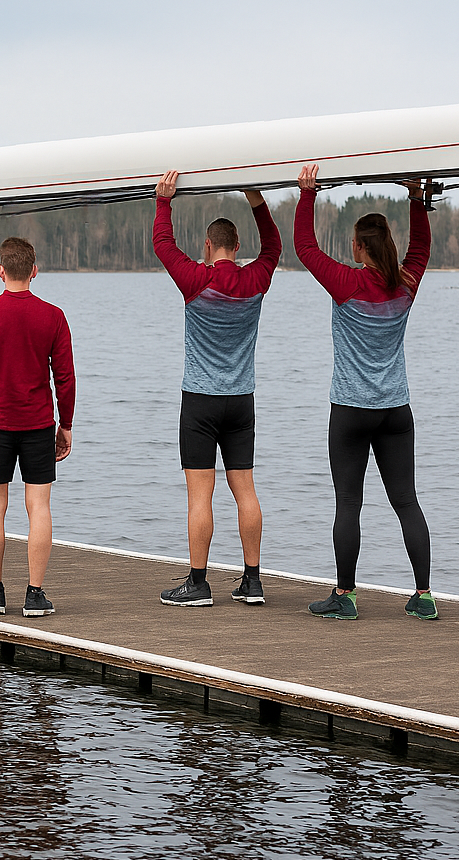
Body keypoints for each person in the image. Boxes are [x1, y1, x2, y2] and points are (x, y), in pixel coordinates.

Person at [293, 164, 436, 621]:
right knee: (407, 501)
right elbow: (422, 248)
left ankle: (346, 596)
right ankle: (424, 595)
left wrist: (307, 194)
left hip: (351, 411)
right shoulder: (406, 285)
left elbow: (304, 247)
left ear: (357, 246)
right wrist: (416, 198)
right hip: (396, 410)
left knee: (348, 503)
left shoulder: (348, 283)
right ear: (389, 245)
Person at [152, 170, 282, 607]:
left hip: (201, 402)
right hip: (241, 402)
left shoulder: (196, 279)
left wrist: (164, 201)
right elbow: (275, 248)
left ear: (208, 247)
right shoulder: (255, 280)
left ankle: (199, 582)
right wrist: (256, 199)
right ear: (238, 248)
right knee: (245, 488)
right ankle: (252, 580)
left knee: (199, 495)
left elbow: (163, 246)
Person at [0, 237, 75, 618]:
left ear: (1, 270)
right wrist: (66, 424)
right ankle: (35, 595)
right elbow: (66, 377)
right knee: (38, 506)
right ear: (34, 270)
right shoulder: (53, 316)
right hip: (39, 423)